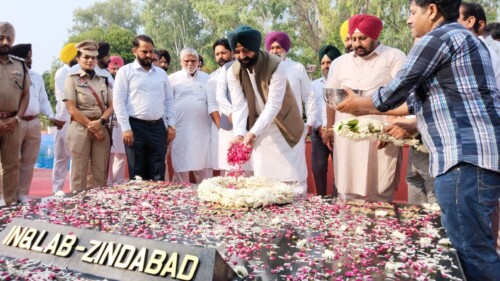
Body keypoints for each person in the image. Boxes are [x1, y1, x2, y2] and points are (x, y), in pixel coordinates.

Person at [336, 1, 500, 279]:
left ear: (432, 10)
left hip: (464, 157)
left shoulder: (438, 37)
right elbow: (415, 101)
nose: (409, 21)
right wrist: (411, 124)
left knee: (470, 252)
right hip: (475, 157)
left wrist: (359, 104)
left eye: (413, 13)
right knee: (471, 247)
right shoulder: (464, 38)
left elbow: (394, 91)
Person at [323, 14, 405, 202]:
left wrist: (393, 127)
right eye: (353, 39)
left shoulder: (394, 56)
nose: (357, 44)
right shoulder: (339, 63)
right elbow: (330, 100)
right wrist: (329, 128)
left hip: (381, 136)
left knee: (381, 193)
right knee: (347, 191)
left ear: (375, 36)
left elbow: (402, 96)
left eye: (362, 39)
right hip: (347, 139)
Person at [227, 25, 307, 192]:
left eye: (246, 50)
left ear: (256, 48)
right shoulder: (233, 71)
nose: (242, 56)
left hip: (285, 128)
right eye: (237, 51)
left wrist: (251, 134)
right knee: (264, 184)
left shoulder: (276, 65)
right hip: (259, 131)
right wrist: (240, 134)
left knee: (292, 181)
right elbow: (239, 105)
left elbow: (273, 106)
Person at [113, 35, 176, 181]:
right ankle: (139, 203)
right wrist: (126, 128)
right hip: (134, 127)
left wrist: (171, 124)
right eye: (144, 52)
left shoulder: (161, 74)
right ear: (134, 51)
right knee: (137, 174)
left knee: (158, 172)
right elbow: (118, 101)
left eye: (151, 51)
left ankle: (158, 203)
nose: (149, 55)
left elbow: (169, 100)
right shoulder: (125, 71)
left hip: (157, 128)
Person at [9, 44, 57, 202]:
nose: (31, 59)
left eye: (31, 56)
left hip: (34, 122)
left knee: (29, 161)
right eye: (27, 56)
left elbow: (43, 99)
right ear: (17, 57)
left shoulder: (36, 76)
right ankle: (4, 196)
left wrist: (50, 116)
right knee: (11, 161)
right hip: (16, 122)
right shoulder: (8, 74)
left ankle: (22, 194)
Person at [63, 40, 113, 192]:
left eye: (93, 57)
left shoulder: (103, 78)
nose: (90, 61)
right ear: (78, 59)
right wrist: (92, 126)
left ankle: (99, 208)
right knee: (79, 171)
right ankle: (76, 206)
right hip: (80, 127)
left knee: (100, 172)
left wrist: (101, 122)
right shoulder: (71, 78)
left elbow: (111, 106)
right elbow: (71, 108)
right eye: (86, 57)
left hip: (101, 126)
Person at [169, 48, 212, 183]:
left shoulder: (207, 78)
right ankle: (182, 194)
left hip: (203, 130)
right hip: (180, 129)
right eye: (186, 61)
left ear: (198, 61)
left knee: (204, 163)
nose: (190, 64)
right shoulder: (172, 79)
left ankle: (207, 192)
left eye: (193, 60)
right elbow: (167, 104)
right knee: (181, 162)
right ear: (180, 61)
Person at [0, 22, 30, 206]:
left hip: (13, 122)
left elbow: (25, 95)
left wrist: (17, 118)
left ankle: (9, 203)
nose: (5, 41)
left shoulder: (20, 65)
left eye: (9, 39)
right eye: (1, 38)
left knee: (12, 165)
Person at [265, 31, 318, 136]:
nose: (275, 51)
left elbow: (309, 96)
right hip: (270, 126)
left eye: (278, 47)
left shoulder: (297, 68)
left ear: (285, 49)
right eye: (272, 48)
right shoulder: (264, 70)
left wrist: (310, 121)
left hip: (294, 126)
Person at [311, 45, 341, 196]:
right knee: (319, 168)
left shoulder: (343, 84)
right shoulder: (314, 85)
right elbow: (311, 109)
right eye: (323, 63)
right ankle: (321, 200)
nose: (326, 66)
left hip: (339, 132)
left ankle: (338, 200)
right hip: (318, 133)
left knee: (341, 169)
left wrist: (333, 129)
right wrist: (320, 127)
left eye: (329, 62)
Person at [52, 43, 78, 195]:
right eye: (77, 55)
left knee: (74, 156)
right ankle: (57, 190)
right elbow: (65, 97)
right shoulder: (62, 73)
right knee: (61, 157)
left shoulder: (75, 71)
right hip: (63, 119)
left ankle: (74, 189)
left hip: (71, 119)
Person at [206, 39, 232, 174]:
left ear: (232, 52)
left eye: (224, 53)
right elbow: (211, 105)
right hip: (221, 127)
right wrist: (222, 127)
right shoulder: (212, 78)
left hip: (243, 127)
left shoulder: (243, 73)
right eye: (217, 54)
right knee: (226, 169)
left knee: (247, 168)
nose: (220, 57)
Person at [107, 55, 127, 186]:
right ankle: (107, 181)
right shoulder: (105, 79)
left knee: (121, 152)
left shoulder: (125, 80)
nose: (115, 71)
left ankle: (118, 181)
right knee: (109, 153)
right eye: (113, 68)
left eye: (118, 68)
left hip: (122, 120)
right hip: (108, 119)